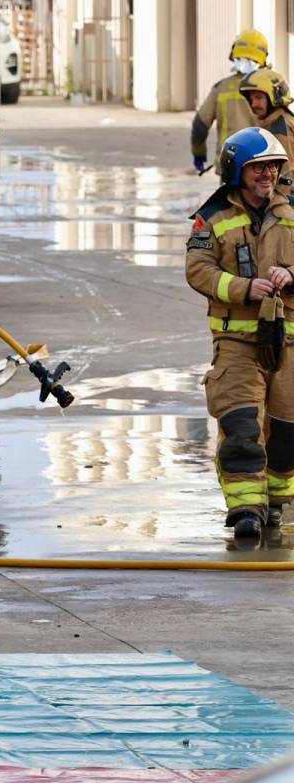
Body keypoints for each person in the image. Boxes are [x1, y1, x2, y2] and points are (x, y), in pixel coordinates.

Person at [185, 127, 294, 539]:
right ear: (237, 171)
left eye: (272, 166)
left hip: (289, 342)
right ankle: (246, 509)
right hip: (236, 343)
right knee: (242, 426)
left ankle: (277, 504)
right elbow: (198, 270)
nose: (267, 174)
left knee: (286, 433)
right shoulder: (210, 218)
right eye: (257, 167)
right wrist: (244, 288)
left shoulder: (292, 210)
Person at [192, 29, 269, 175]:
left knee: (228, 198)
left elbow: (200, 125)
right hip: (263, 167)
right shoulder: (272, 85)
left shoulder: (221, 88)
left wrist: (199, 154)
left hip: (230, 165)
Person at [238, 68, 294, 172]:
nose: (253, 104)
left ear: (274, 97)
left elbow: (286, 176)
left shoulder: (280, 128)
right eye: (251, 99)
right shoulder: (277, 121)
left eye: (258, 98)